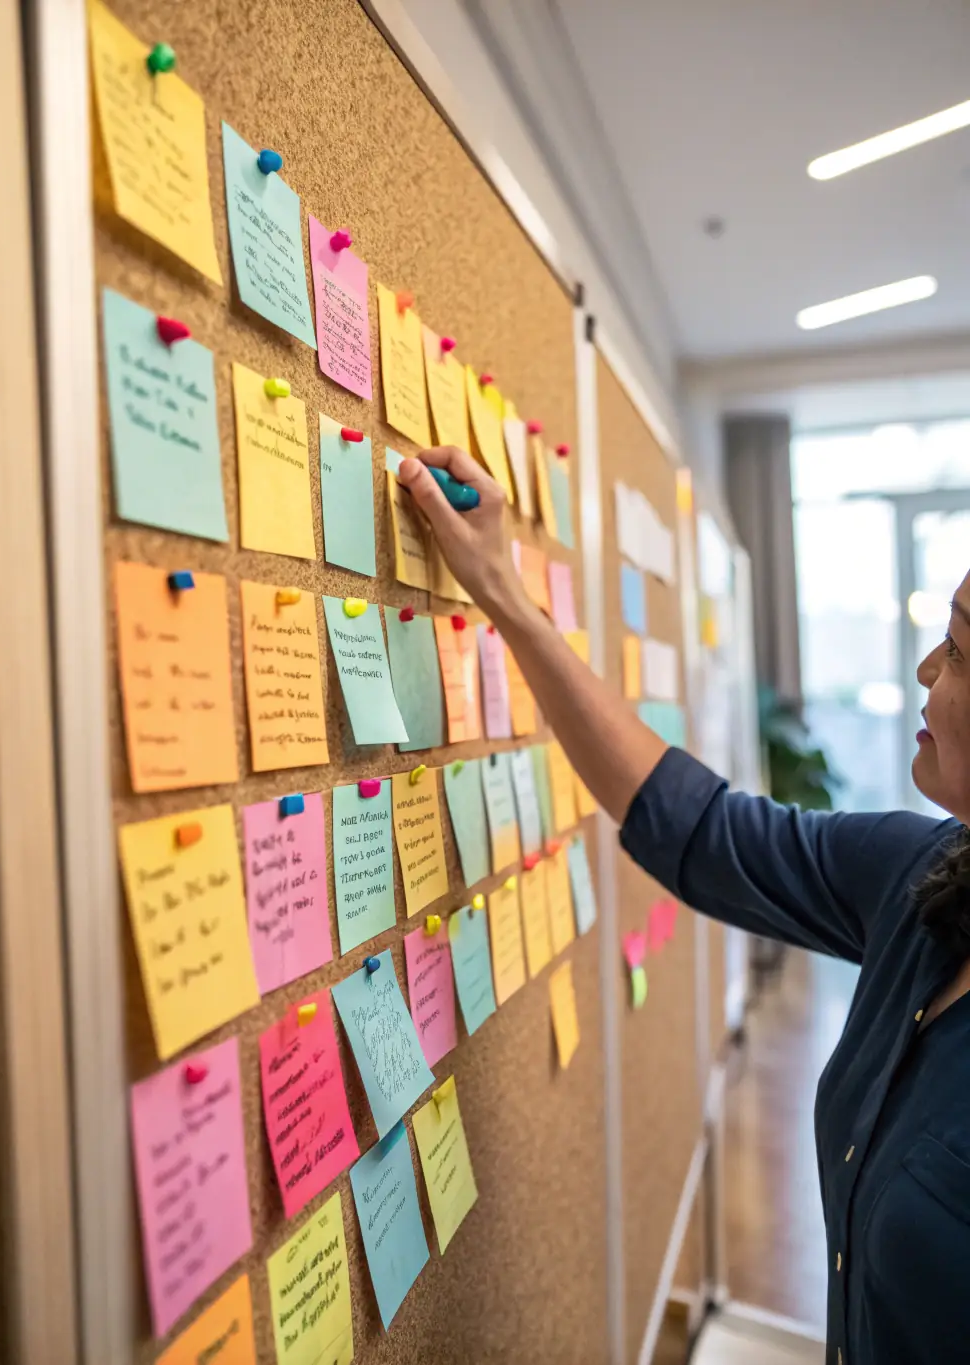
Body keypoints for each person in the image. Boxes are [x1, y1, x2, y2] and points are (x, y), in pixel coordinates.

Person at [398, 445, 970, 1365]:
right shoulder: (926, 876)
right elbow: (699, 828)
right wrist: (501, 589)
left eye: (960, 649)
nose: (924, 668)